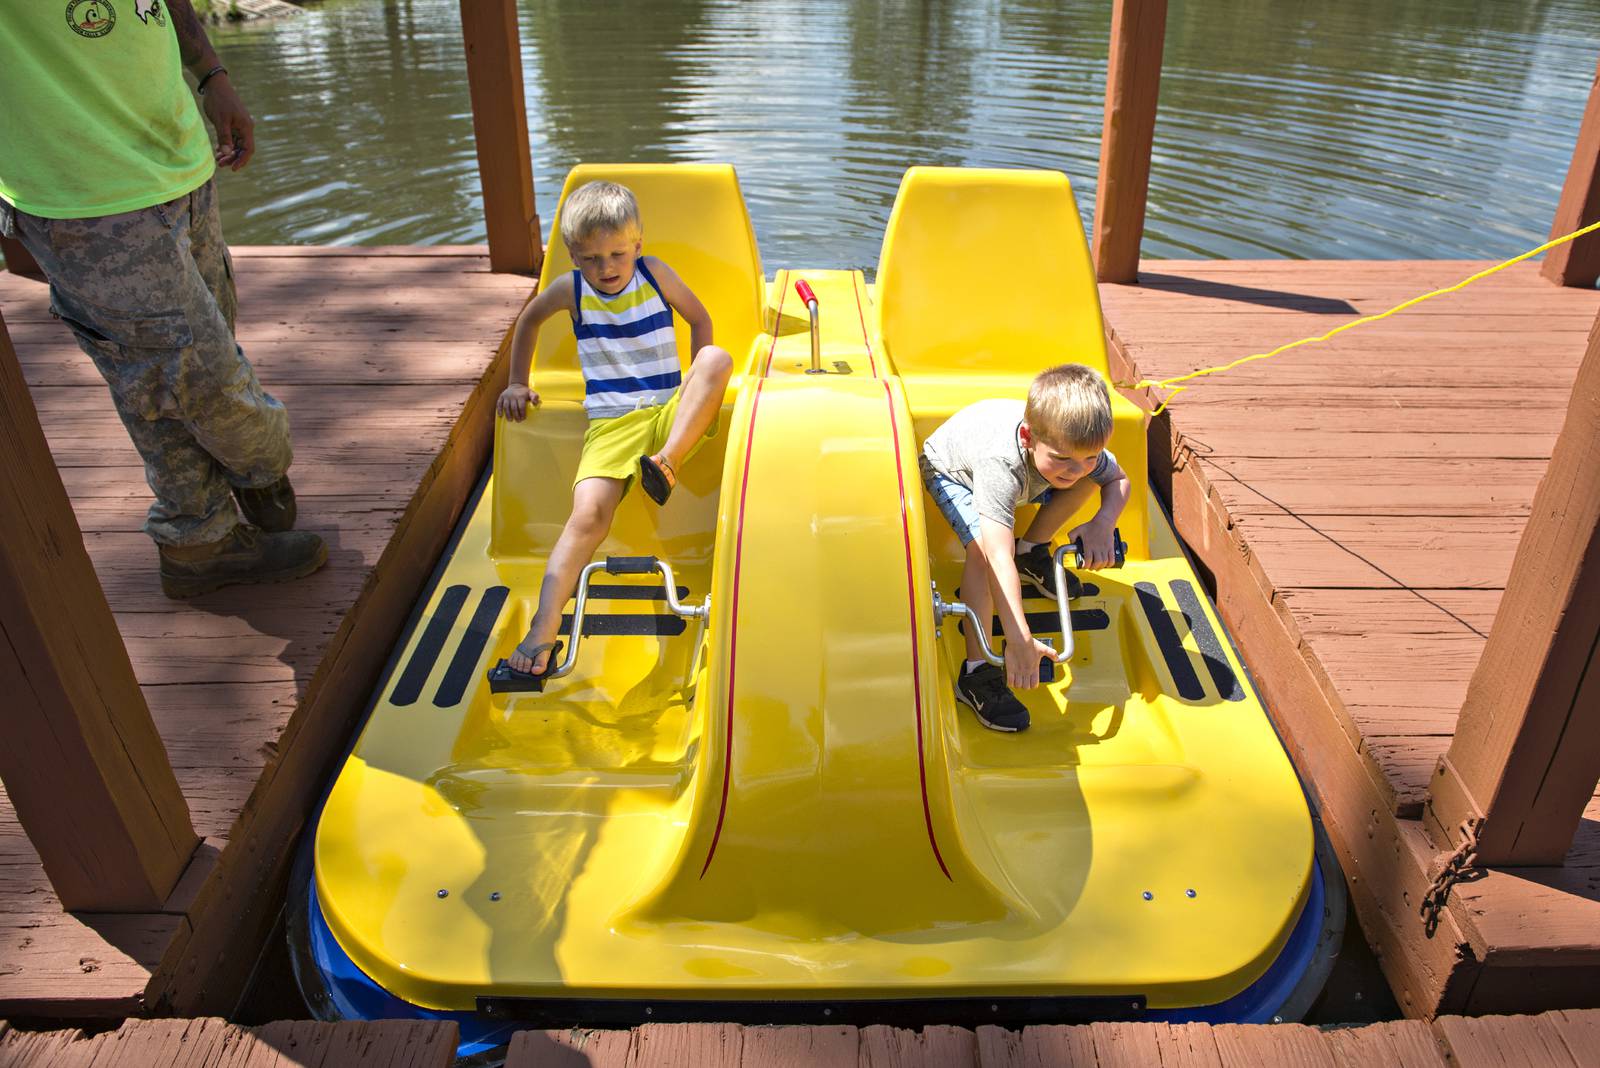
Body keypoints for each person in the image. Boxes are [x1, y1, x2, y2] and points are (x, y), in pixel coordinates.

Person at [0, 0, 326, 598]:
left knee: (172, 367)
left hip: (179, 160)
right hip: (83, 196)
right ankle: (256, 466)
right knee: (198, 376)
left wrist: (210, 75)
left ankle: (198, 538)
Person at [497, 180, 733, 678]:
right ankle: (545, 624)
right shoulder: (570, 290)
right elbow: (528, 322)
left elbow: (700, 318)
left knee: (716, 358)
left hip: (669, 412)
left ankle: (667, 461)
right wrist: (518, 382)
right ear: (572, 256)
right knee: (586, 516)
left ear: (638, 245)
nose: (606, 268)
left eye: (617, 254)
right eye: (591, 258)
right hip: (612, 424)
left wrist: (693, 380)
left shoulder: (656, 273)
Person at [919, 363, 1132, 732]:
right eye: (1063, 457)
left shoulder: (1077, 453)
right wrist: (1018, 639)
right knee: (983, 553)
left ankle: (1032, 550)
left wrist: (1103, 523)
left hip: (1028, 474)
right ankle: (976, 672)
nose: (1076, 468)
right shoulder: (1000, 463)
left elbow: (1117, 478)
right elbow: (998, 560)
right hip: (954, 473)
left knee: (1087, 481)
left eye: (1090, 457)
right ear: (1030, 436)